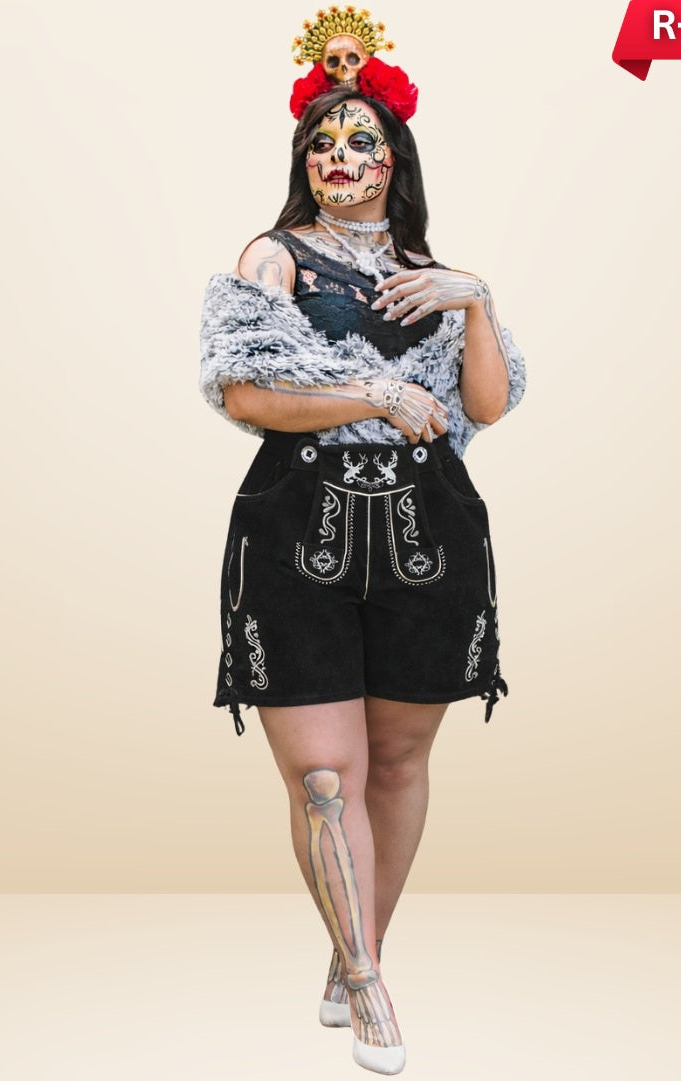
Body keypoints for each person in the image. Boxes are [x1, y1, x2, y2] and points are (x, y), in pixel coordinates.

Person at [199, 12, 525, 1075]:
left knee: (396, 760)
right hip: (302, 527)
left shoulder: (433, 270)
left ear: (397, 158)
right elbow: (246, 391)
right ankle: (372, 982)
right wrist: (377, 393)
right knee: (325, 778)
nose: (342, 157)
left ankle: (354, 952)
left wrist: (474, 296)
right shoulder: (273, 257)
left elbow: (485, 403)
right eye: (323, 143)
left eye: (362, 140)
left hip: (431, 533)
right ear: (304, 160)